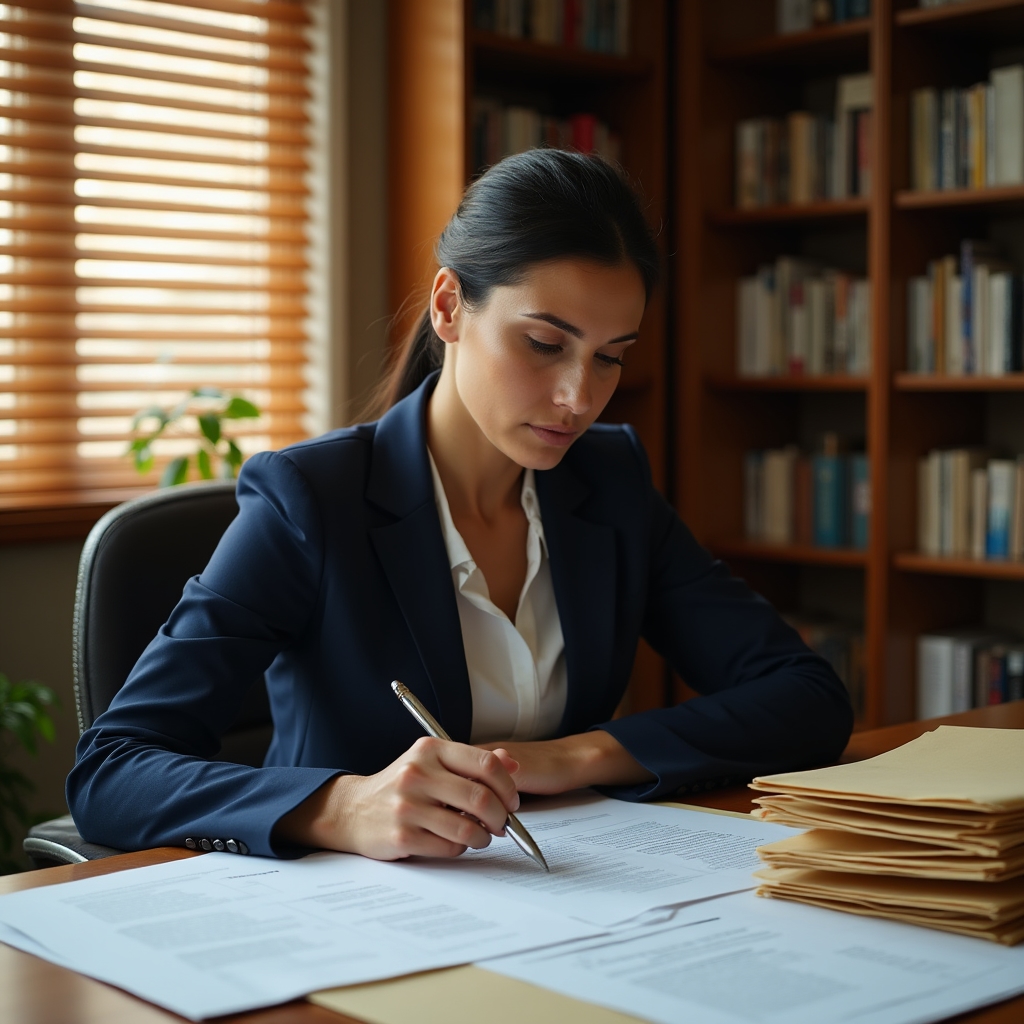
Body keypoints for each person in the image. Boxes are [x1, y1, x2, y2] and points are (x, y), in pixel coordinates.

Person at [68, 150, 853, 862]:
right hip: (352, 921)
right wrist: (342, 807)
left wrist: (572, 756)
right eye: (545, 343)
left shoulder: (607, 483)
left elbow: (806, 698)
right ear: (450, 307)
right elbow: (112, 772)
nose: (580, 397)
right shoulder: (312, 501)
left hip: (570, 898)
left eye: (611, 357)